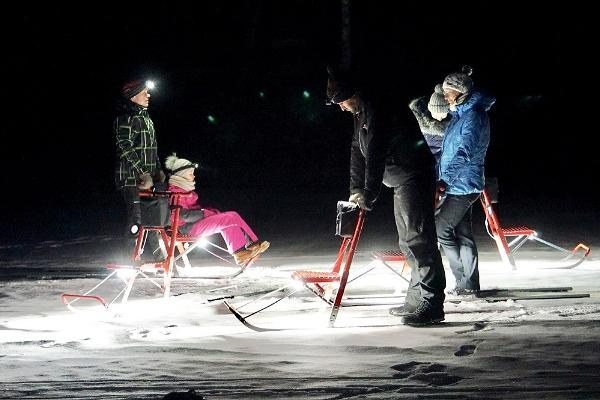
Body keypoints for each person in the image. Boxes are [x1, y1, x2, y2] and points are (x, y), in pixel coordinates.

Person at [326, 67, 446, 326]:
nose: (341, 107)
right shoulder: (361, 113)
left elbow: (377, 150)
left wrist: (370, 193)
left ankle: (432, 302)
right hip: (400, 181)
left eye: (341, 101)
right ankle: (416, 299)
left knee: (419, 238)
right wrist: (356, 189)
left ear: (354, 94)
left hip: (413, 175)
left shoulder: (380, 108)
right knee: (407, 241)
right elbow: (357, 150)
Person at [435, 66, 495, 294]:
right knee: (463, 233)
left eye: (449, 92)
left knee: (442, 229)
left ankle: (463, 280)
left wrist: (444, 180)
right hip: (457, 184)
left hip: (464, 185)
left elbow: (465, 152)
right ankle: (468, 284)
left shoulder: (474, 116)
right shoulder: (461, 115)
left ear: (462, 92)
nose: (446, 96)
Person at [164, 153, 269, 266]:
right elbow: (182, 215)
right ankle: (253, 243)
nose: (193, 177)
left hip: (192, 225)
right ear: (182, 175)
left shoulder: (182, 189)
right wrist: (206, 213)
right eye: (190, 174)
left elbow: (192, 211)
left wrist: (210, 212)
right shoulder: (176, 192)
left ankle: (240, 253)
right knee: (231, 216)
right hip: (186, 228)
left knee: (229, 221)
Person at [114, 78, 165, 262]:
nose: (148, 95)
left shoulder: (147, 119)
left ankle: (160, 257)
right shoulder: (125, 118)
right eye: (144, 92)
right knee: (136, 218)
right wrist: (142, 171)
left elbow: (152, 148)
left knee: (152, 219)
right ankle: (131, 257)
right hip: (131, 178)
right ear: (133, 96)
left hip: (149, 180)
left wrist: (157, 169)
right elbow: (124, 147)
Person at [408, 83, 450, 170]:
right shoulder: (418, 122)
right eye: (437, 114)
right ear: (430, 110)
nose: (439, 118)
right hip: (421, 162)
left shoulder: (451, 125)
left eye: (443, 115)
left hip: (439, 165)